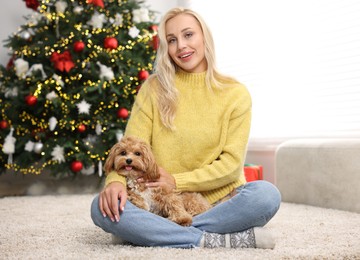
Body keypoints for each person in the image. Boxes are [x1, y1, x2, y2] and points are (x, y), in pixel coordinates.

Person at [91, 7, 281, 249]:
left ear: (204, 37)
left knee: (266, 195)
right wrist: (115, 182)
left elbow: (231, 166)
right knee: (101, 208)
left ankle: (152, 233)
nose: (181, 46)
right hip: (158, 202)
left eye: (188, 35)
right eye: (172, 40)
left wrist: (176, 181)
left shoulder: (235, 93)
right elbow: (130, 146)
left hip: (218, 201)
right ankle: (212, 239)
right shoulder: (153, 88)